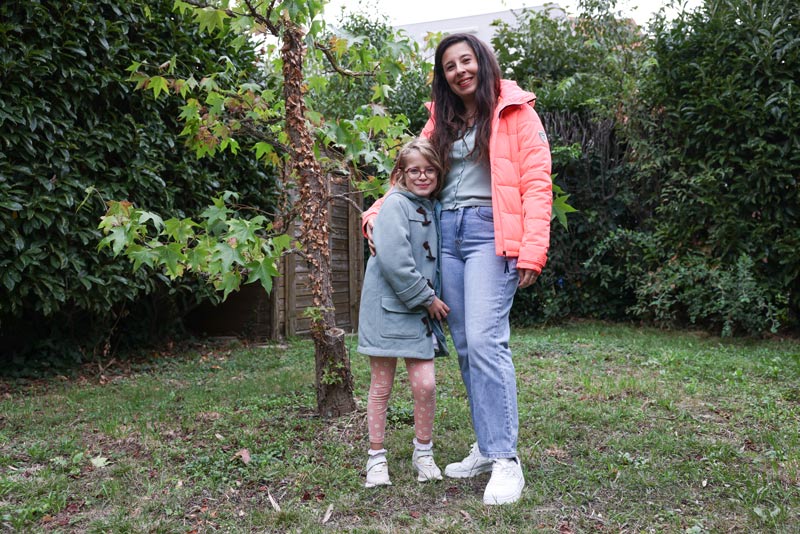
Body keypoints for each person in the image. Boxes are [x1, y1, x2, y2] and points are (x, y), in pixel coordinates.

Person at [362, 34, 552, 504]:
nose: (460, 70)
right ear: (443, 75)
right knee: (466, 344)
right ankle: (487, 448)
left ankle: (506, 459)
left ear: (483, 62)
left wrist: (533, 249)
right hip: (446, 233)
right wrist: (379, 211)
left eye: (466, 60)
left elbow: (535, 181)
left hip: (492, 232)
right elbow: (413, 171)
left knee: (487, 340)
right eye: (450, 65)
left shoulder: (515, 110)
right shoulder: (440, 119)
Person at [357, 138, 450, 488]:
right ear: (401, 173)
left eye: (429, 170)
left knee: (425, 385)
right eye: (414, 171)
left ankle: (422, 452)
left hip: (417, 315)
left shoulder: (433, 206)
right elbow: (395, 261)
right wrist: (428, 299)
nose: (422, 176)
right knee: (381, 386)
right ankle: (376, 458)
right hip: (388, 308)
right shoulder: (394, 205)